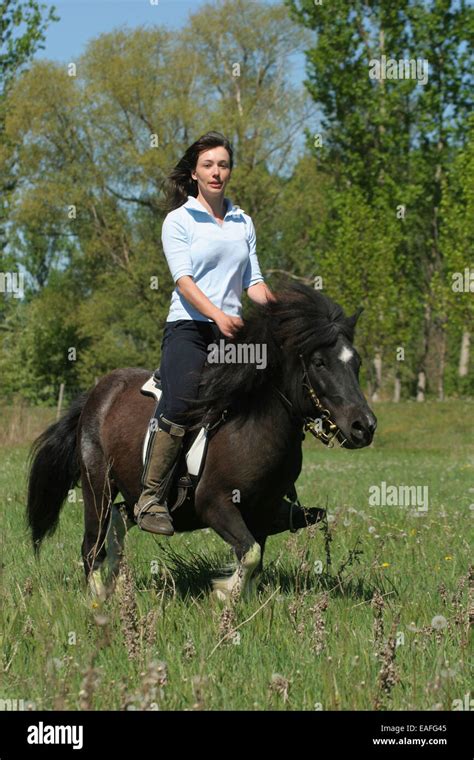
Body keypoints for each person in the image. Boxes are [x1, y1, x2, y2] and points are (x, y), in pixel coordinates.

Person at [134, 131, 275, 535]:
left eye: (223, 165)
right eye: (208, 165)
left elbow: (254, 282)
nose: (217, 172)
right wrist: (217, 315)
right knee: (180, 402)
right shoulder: (178, 221)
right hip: (190, 330)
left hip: (231, 338)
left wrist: (283, 313)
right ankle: (150, 497)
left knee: (269, 393)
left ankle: (268, 493)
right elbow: (184, 282)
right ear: (194, 172)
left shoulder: (241, 221)